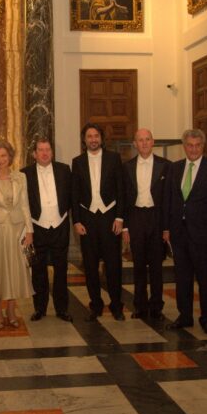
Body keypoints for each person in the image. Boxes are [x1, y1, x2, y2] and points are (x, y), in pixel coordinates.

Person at [162, 129, 207, 335]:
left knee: (206, 279)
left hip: (204, 235)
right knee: (182, 277)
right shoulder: (175, 168)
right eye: (189, 145)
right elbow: (168, 200)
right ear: (184, 146)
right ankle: (185, 315)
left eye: (197, 145)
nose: (193, 149)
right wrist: (166, 228)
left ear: (203, 146)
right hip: (179, 233)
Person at [72, 123, 126, 321]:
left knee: (113, 265)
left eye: (96, 135)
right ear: (84, 140)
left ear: (101, 138)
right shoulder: (77, 162)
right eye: (89, 136)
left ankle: (116, 305)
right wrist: (76, 221)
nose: (93, 139)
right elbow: (74, 193)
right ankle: (95, 304)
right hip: (87, 219)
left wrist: (120, 217)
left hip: (110, 218)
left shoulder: (114, 158)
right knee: (90, 265)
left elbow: (121, 190)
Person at [0, 140, 34, 329]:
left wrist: (30, 230)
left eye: (4, 155)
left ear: (10, 157)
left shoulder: (21, 177)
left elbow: (25, 204)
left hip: (17, 229)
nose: (1, 159)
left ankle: (11, 310)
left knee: (14, 270)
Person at [21, 137, 73, 323]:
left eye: (48, 150)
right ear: (34, 154)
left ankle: (62, 309)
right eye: (41, 150)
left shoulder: (64, 170)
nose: (44, 153)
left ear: (52, 152)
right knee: (38, 270)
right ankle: (40, 309)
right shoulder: (24, 174)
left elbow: (72, 196)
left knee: (61, 270)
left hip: (60, 225)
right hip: (37, 227)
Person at [122, 128, 170, 320]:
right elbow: (124, 198)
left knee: (157, 266)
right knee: (139, 265)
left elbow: (168, 199)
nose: (143, 143)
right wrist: (125, 226)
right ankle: (140, 306)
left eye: (147, 139)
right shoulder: (126, 167)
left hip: (157, 219)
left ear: (153, 142)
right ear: (135, 143)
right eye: (140, 140)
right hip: (136, 219)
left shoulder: (166, 165)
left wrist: (167, 227)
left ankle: (156, 306)